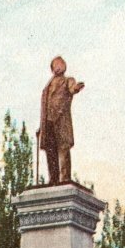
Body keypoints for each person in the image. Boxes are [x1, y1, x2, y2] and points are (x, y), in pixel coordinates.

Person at [38, 56, 84, 185]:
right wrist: (41, 126)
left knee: (63, 149)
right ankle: (53, 178)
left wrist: (76, 88)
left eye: (62, 64)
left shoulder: (68, 80)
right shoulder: (48, 85)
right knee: (50, 150)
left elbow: (72, 88)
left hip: (61, 120)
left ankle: (64, 178)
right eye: (57, 64)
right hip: (48, 122)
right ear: (53, 69)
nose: (61, 66)